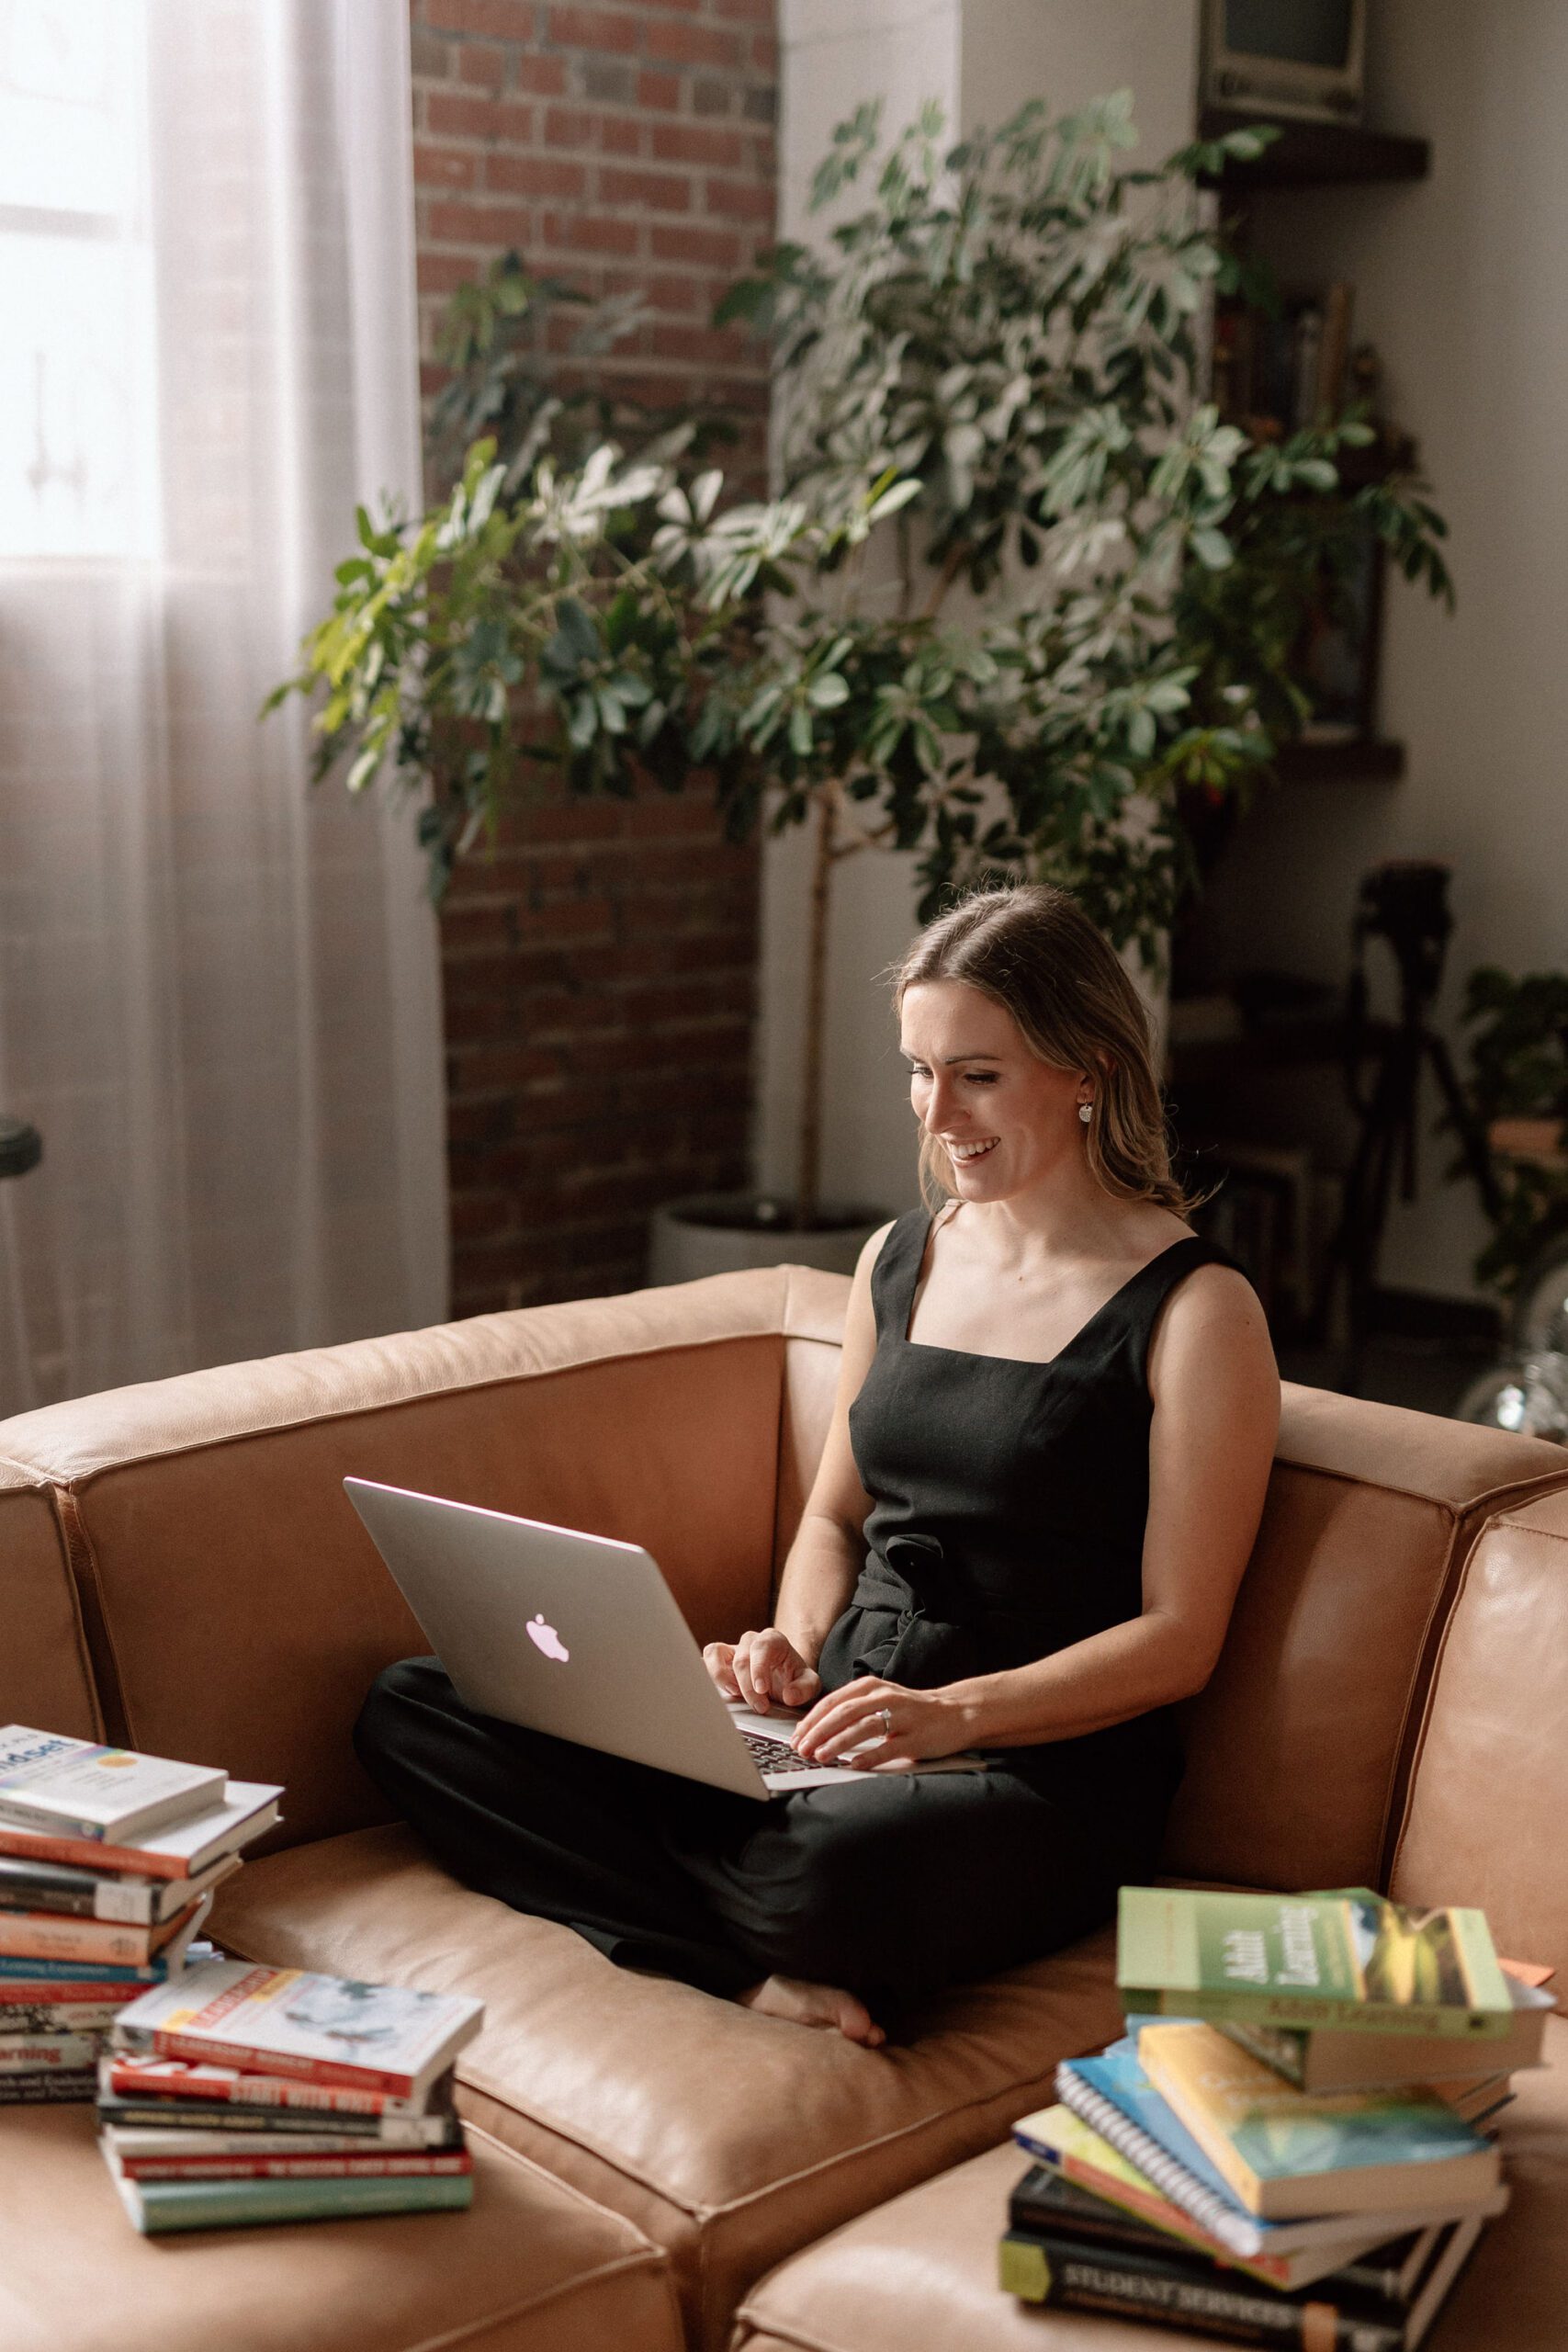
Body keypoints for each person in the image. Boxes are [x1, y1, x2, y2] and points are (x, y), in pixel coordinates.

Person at [355, 884, 1279, 2046]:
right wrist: (785, 1647)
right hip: (830, 1737)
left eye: (977, 1073)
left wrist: (950, 1714)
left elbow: (1181, 1637)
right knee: (417, 1706)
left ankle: (676, 1894)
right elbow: (837, 1521)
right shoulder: (900, 1256)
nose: (937, 1111)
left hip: (1028, 1773)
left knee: (831, 1877)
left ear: (1086, 1067)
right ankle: (741, 1972)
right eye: (918, 1068)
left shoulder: (1198, 1310)